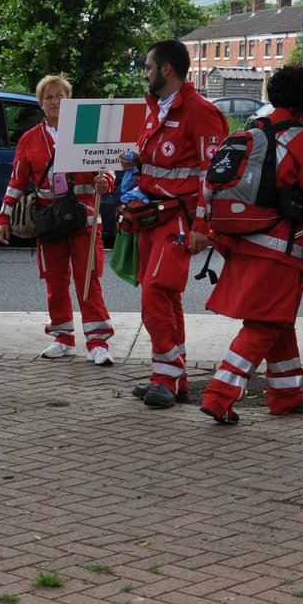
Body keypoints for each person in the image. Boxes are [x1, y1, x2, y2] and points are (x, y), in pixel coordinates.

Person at [198, 65, 303, 424]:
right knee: (264, 326)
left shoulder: (252, 129)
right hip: (280, 249)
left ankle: (287, 395)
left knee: (278, 320)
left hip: (244, 240)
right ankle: (219, 396)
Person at [121, 39, 230, 409]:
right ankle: (174, 379)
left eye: (149, 67)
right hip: (151, 216)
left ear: (166, 69)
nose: (145, 73)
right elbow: (154, 161)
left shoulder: (200, 112)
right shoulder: (156, 109)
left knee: (154, 294)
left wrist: (203, 226)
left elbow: (212, 176)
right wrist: (133, 162)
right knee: (166, 296)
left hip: (179, 221)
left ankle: (165, 378)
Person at [0, 74, 117, 364]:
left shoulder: (87, 129)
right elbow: (17, 181)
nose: (54, 102)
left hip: (85, 219)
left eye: (60, 96)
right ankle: (63, 339)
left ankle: (98, 343)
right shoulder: (30, 139)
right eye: (48, 97)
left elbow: (108, 167)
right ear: (40, 103)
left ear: (69, 99)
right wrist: (4, 216)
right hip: (50, 222)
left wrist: (106, 182)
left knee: (88, 281)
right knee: (55, 281)